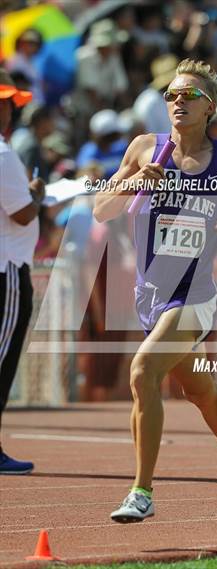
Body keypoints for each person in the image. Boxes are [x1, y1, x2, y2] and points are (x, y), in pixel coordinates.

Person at [93, 59, 217, 523]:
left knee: (142, 372)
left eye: (189, 96)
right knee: (198, 390)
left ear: (210, 108)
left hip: (197, 296)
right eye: (172, 95)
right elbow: (101, 209)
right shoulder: (145, 149)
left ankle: (141, 492)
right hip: (151, 297)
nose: (178, 101)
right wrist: (133, 184)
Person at [0, 69, 45, 474]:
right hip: (7, 268)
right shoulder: (2, 153)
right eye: (8, 103)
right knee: (1, 360)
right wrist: (38, 194)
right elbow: (21, 212)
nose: (13, 112)